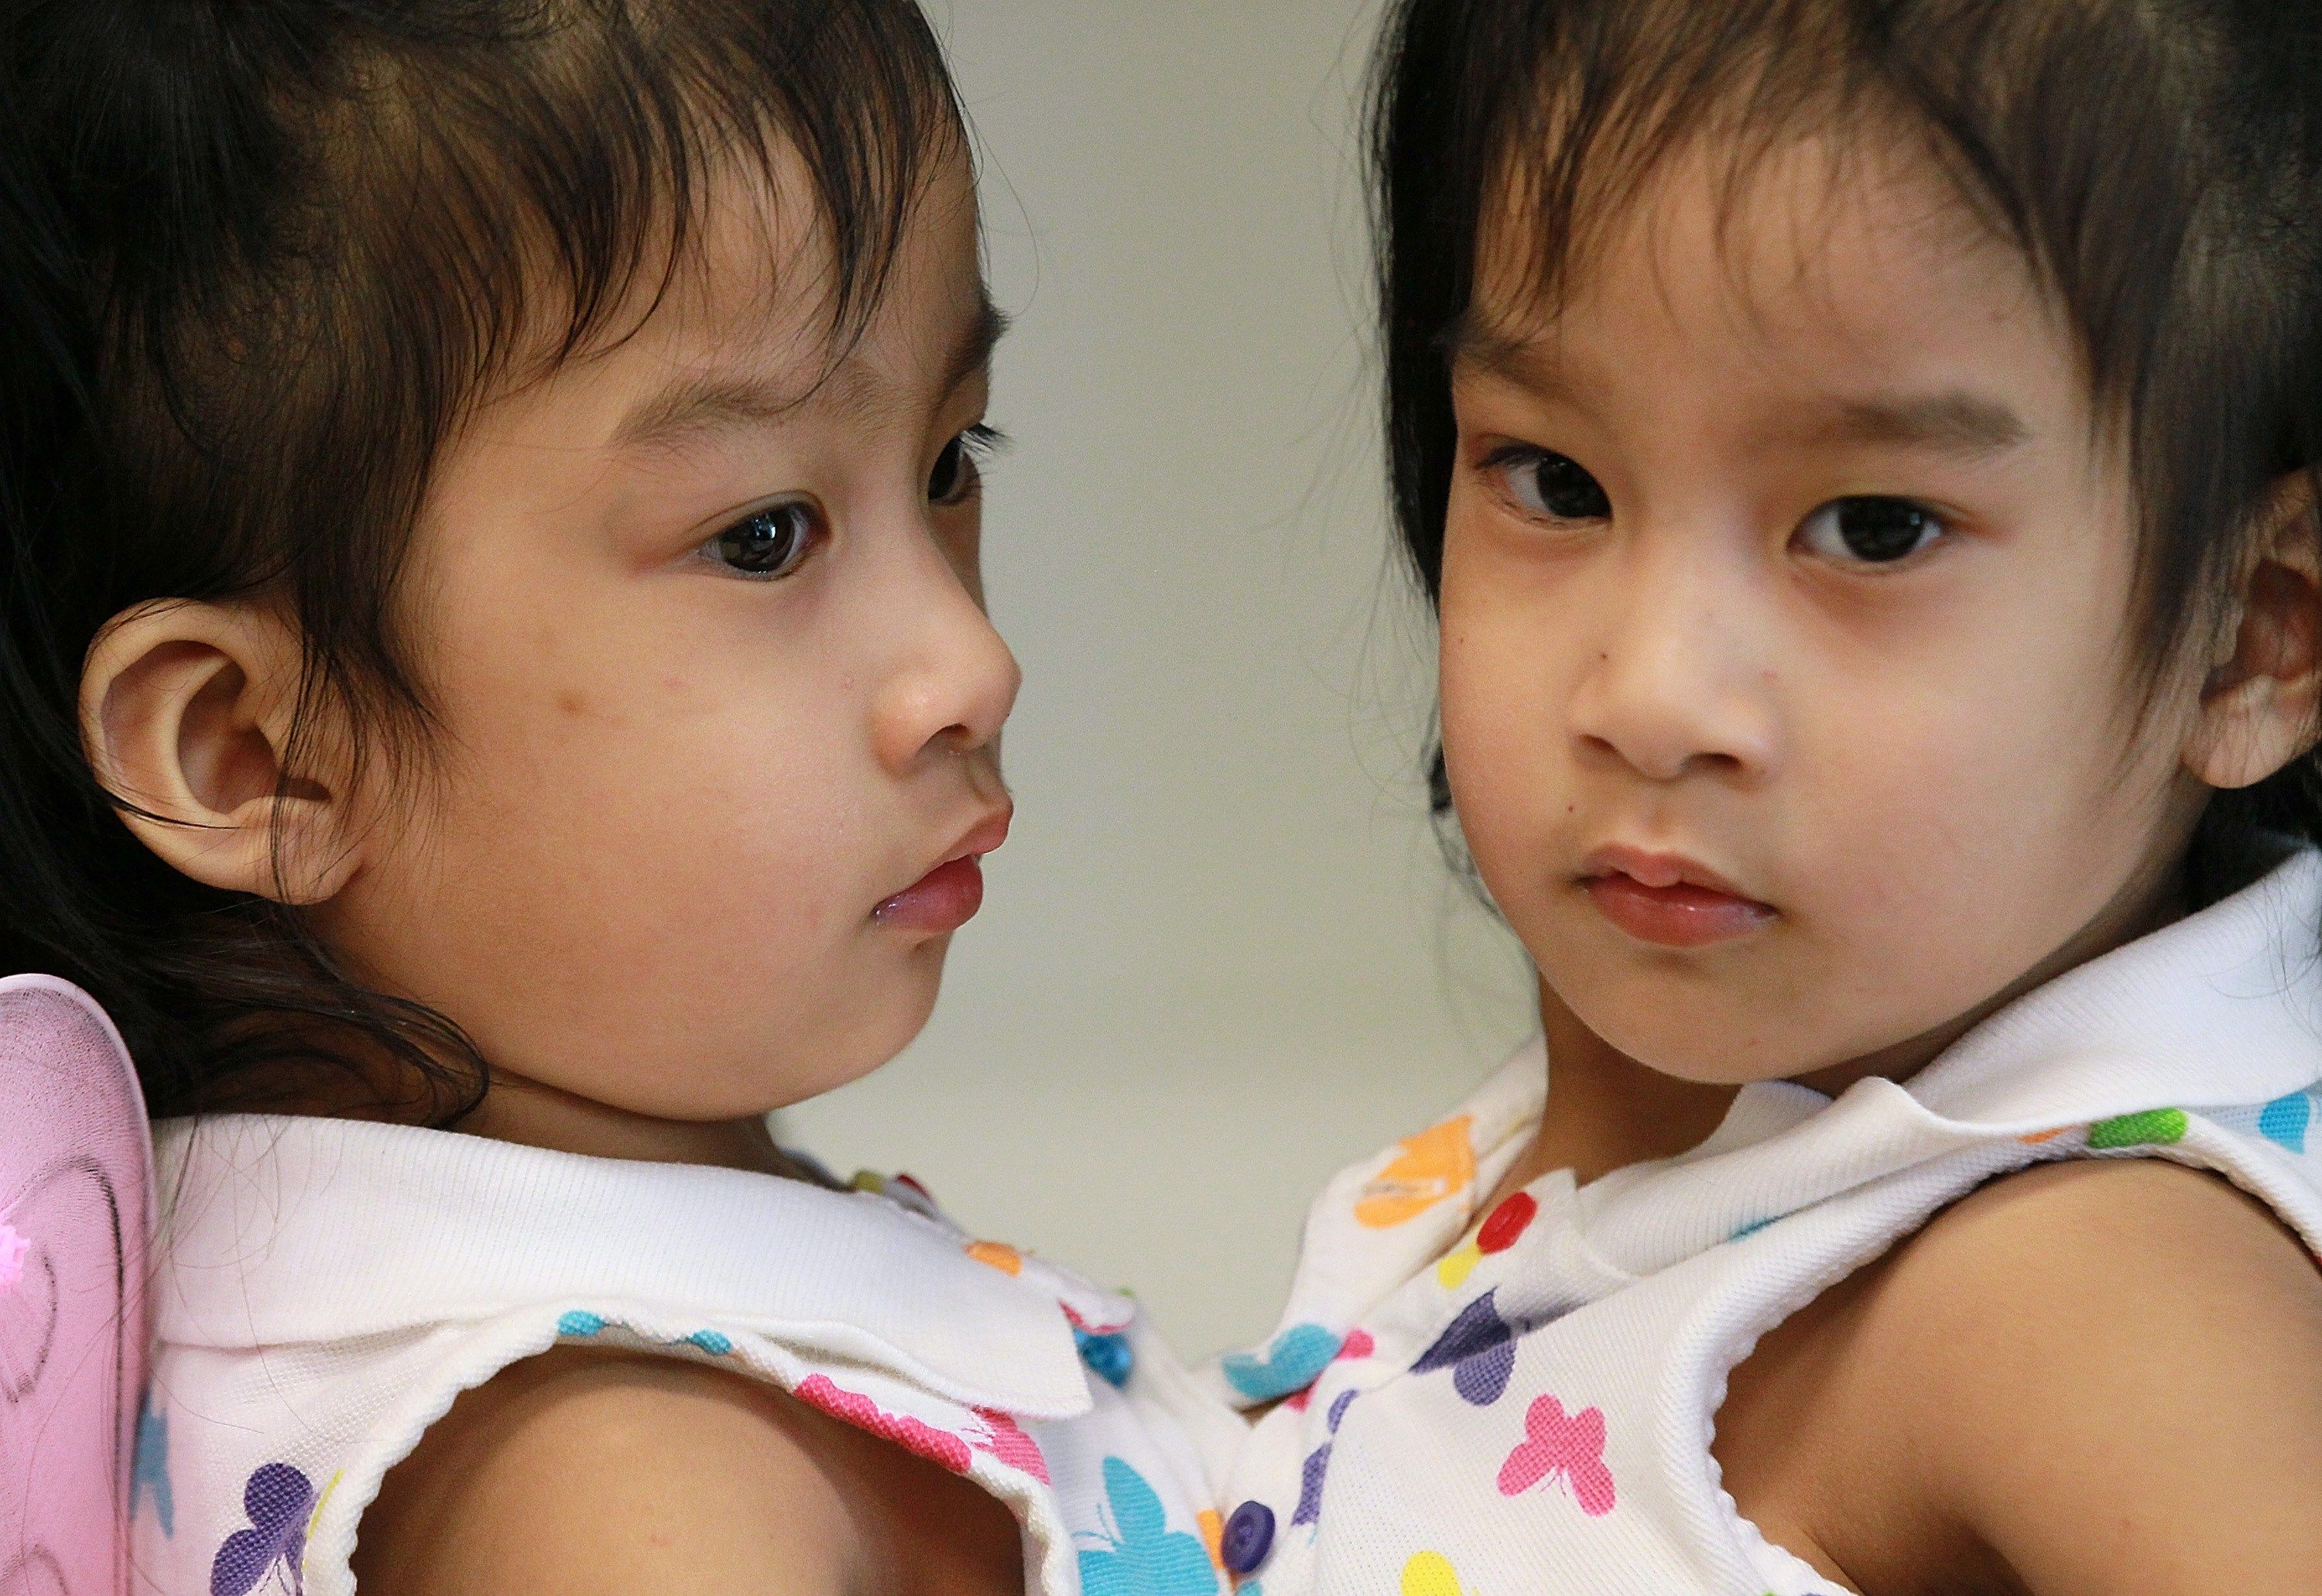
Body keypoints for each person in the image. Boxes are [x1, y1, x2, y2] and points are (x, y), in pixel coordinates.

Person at [0, 5, 1231, 1592]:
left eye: (947, 457)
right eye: (765, 536)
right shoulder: (632, 1484)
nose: (968, 664)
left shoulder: (462, 1322)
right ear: (259, 755)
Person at [1207, 3, 2322, 1592]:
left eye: (1872, 527)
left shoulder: (2090, 1288)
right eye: (1558, 482)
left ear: (2252, 633)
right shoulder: (1614, 1166)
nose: (1652, 693)